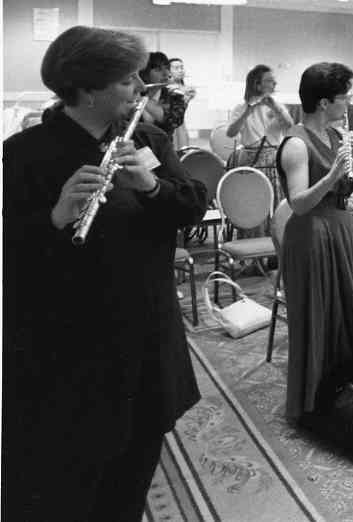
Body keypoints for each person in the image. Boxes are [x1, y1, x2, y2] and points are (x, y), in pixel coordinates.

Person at [3, 25, 208, 521]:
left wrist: (152, 186)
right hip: (69, 354)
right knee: (67, 485)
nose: (141, 88)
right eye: (127, 80)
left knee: (131, 478)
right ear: (88, 88)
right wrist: (54, 218)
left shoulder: (146, 137)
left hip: (145, 340)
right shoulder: (25, 153)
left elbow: (193, 206)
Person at [275, 62, 353, 421]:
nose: (349, 103)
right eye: (344, 97)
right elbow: (298, 202)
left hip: (341, 229)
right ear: (324, 102)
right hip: (311, 233)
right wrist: (332, 175)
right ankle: (317, 401)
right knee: (320, 315)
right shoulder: (296, 143)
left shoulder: (339, 136)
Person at [226, 64, 294, 203]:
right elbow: (230, 133)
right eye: (269, 80)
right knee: (253, 203)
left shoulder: (277, 106)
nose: (274, 83)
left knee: (274, 201)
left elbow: (290, 127)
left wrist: (275, 107)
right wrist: (248, 112)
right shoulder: (240, 108)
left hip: (274, 161)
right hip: (251, 161)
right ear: (257, 84)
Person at [138, 51, 187, 144]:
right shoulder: (130, 96)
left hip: (163, 151)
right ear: (144, 73)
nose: (166, 73)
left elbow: (171, 121)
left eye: (167, 68)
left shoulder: (175, 96)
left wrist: (141, 98)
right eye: (158, 69)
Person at [167, 57, 197, 148]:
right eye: (176, 68)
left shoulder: (186, 89)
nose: (180, 70)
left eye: (181, 67)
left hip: (180, 125)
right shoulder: (166, 87)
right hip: (167, 125)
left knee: (183, 151)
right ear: (168, 71)